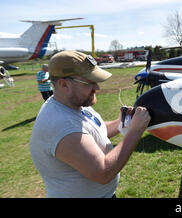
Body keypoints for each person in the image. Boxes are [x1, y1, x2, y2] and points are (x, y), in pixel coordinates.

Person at [29, 50, 151, 198]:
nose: (97, 88)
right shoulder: (60, 125)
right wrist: (135, 131)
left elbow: (94, 131)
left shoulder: (73, 104)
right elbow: (103, 173)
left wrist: (120, 122)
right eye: (89, 82)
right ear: (64, 84)